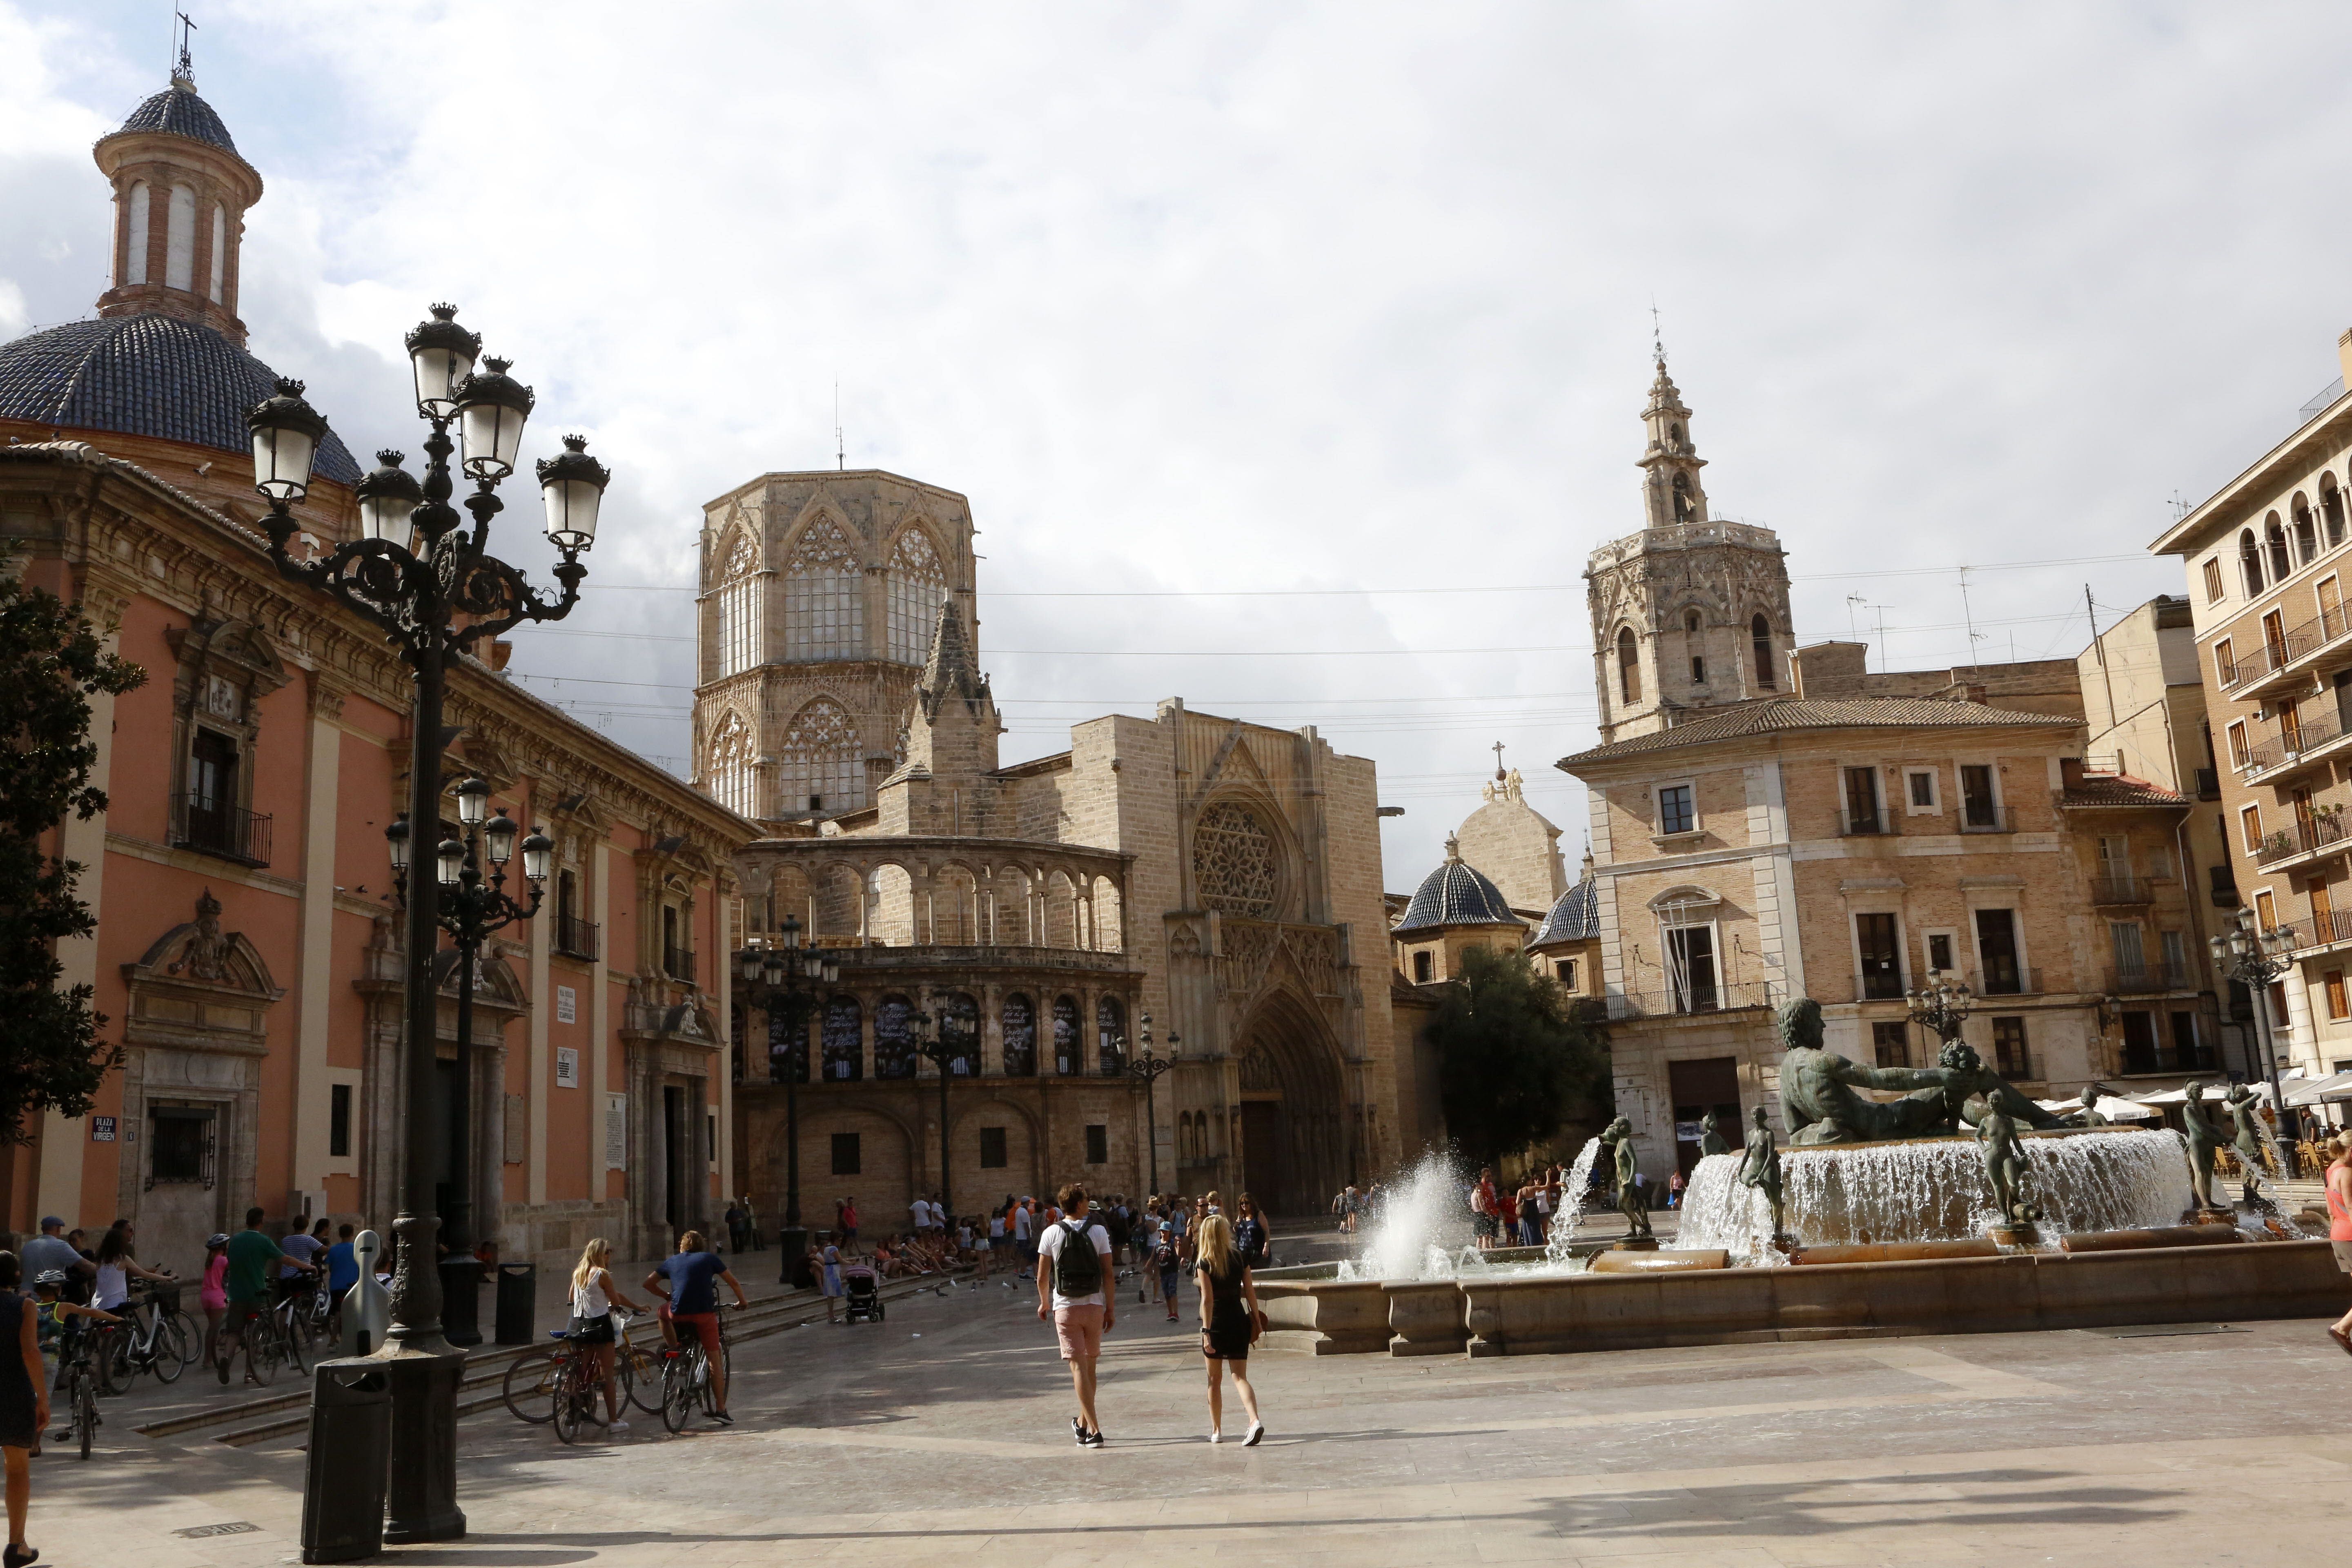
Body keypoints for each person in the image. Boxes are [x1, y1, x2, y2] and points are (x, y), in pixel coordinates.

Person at [1035, 1183, 1114, 1447]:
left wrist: (1044, 1303)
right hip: (1093, 1305)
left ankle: (1093, 1430)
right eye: (1086, 1200)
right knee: (1090, 1367)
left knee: (1079, 1368)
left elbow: (1042, 1276)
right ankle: (1082, 1424)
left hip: (1066, 1307)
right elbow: (1109, 1274)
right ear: (1079, 1204)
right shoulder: (1099, 1231)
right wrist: (1110, 1308)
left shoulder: (1051, 1232)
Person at [643, 1230, 748, 1424]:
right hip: (704, 1316)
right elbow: (733, 1282)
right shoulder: (710, 1259)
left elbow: (648, 1283)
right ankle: (721, 1409)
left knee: (661, 1314)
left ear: (682, 1247)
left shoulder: (672, 1261)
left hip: (677, 1313)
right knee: (714, 1361)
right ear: (702, 1246)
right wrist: (742, 1301)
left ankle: (674, 1347)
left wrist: (667, 1297)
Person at [1192, 1213, 1265, 1445]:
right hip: (1238, 1320)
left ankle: (1217, 1430)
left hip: (1216, 1324)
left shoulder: (1204, 1262)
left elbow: (1208, 1300)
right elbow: (1250, 1293)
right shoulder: (1239, 1258)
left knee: (1214, 1379)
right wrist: (1257, 1320)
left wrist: (1205, 1333)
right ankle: (1254, 1421)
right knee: (1240, 1377)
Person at [26, 1269, 117, 1449]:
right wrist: (115, 1318)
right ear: (58, 1291)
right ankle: (35, 1445)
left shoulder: (30, 1308)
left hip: (29, 1361)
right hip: (50, 1362)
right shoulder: (62, 1308)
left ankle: (23, 1439)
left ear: (38, 1292)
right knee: (43, 1402)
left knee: (29, 1400)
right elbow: (90, 1312)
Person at [219, 1208, 311, 1384]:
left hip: (236, 1294)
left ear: (247, 1222)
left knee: (234, 1333)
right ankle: (249, 1373)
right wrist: (308, 1267)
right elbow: (286, 1260)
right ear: (261, 1222)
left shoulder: (235, 1240)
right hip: (257, 1294)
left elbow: (230, 1264)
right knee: (255, 1333)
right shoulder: (263, 1240)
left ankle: (226, 1358)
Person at [0, 1252, 47, 1568]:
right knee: (17, 1469)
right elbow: (30, 1351)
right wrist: (42, 1398)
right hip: (13, 1394)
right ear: (15, 1275)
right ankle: (16, 1545)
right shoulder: (24, 1307)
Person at [570, 1238, 641, 1432]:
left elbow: (571, 1298)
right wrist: (614, 1304)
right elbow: (615, 1299)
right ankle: (613, 1421)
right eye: (607, 1251)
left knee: (582, 1373)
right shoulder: (602, 1274)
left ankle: (573, 1412)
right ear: (600, 1254)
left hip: (582, 1326)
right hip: (600, 1326)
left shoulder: (578, 1274)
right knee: (608, 1374)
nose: (609, 1255)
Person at [2326, 1134, 2352, 1358]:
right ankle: (2342, 1328)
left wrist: (2334, 1233)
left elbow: (2330, 1209)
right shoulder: (2347, 1173)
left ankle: (2343, 1328)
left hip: (2340, 1236)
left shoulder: (2332, 1170)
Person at [16, 1223, 87, 1300]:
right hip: (46, 1297)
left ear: (43, 1229)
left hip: (25, 1295)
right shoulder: (61, 1245)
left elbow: (21, 1272)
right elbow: (86, 1266)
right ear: (58, 1229)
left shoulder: (28, 1245)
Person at [197, 1234, 229, 1368]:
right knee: (214, 1330)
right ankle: (208, 1360)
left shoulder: (209, 1260)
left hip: (206, 1296)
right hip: (217, 1296)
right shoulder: (223, 1260)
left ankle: (208, 1359)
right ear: (223, 1247)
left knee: (211, 1328)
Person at [1233, 1195, 1270, 1271]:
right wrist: (1235, 1226)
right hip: (1243, 1252)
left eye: (1246, 1203)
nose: (1244, 1205)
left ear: (1251, 1203)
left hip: (1257, 1253)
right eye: (1242, 1203)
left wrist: (1266, 1246)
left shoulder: (1259, 1215)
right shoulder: (1241, 1216)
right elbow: (1238, 1231)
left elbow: (1266, 1232)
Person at [815, 1233, 844, 1324]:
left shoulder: (827, 1248)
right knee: (832, 1295)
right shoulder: (834, 1249)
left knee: (830, 1295)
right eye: (839, 1240)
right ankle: (831, 1316)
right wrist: (852, 1262)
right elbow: (841, 1260)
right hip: (833, 1272)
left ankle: (831, 1315)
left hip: (828, 1271)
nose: (840, 1242)